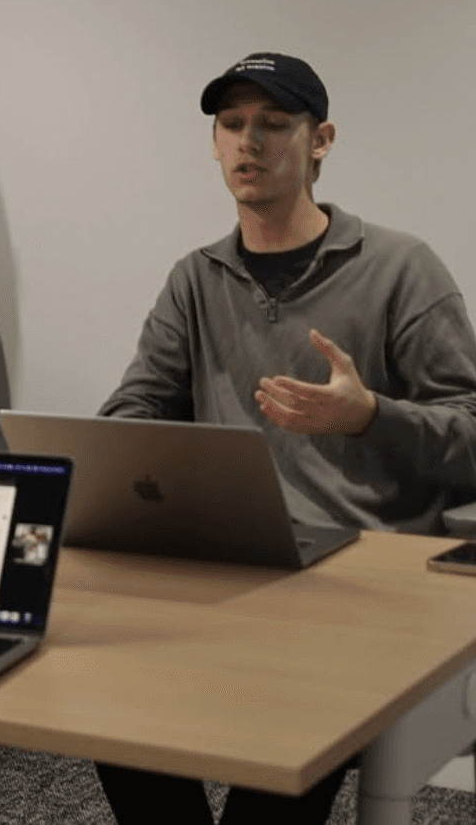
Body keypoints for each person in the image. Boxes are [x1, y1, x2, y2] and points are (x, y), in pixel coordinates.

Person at [93, 51, 476, 825]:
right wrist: (107, 462)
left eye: (273, 124)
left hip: (365, 590)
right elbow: (137, 407)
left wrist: (370, 416)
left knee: (278, 760)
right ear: (214, 145)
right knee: (110, 705)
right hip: (237, 572)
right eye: (232, 124)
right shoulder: (196, 279)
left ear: (320, 140)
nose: (249, 142)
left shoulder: (401, 268)